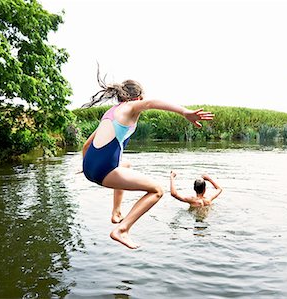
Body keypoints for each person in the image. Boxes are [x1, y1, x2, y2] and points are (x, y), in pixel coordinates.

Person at [81, 72, 214, 249]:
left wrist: (87, 166)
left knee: (126, 165)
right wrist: (184, 112)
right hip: (103, 172)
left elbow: (86, 145)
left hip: (89, 166)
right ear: (138, 98)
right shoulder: (131, 107)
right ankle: (122, 230)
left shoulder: (110, 113)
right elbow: (152, 103)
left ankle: (116, 212)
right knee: (157, 190)